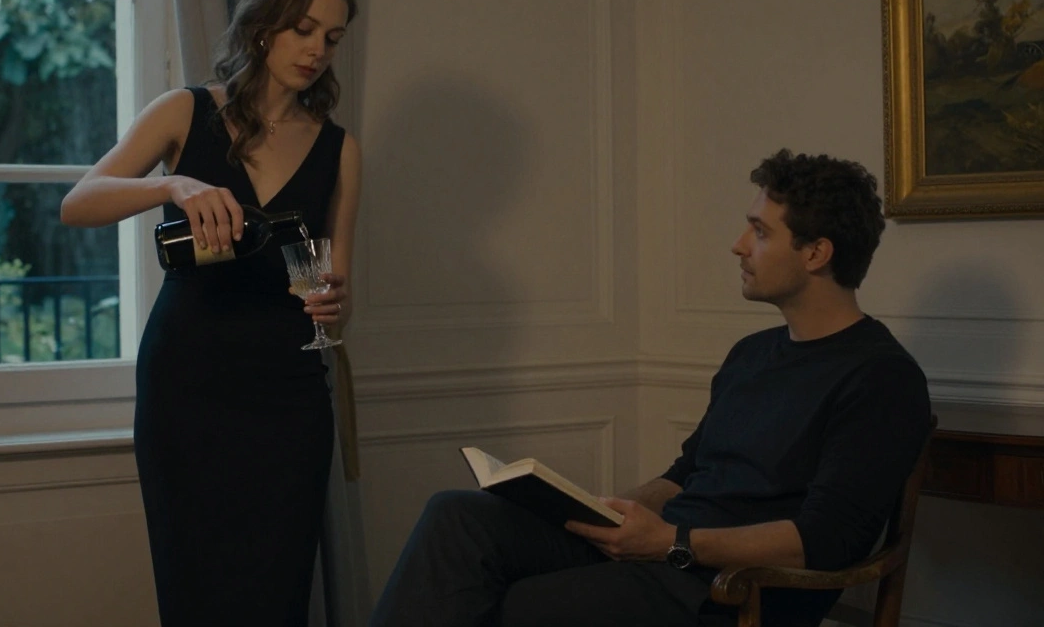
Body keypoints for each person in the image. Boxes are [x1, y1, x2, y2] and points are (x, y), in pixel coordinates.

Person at [368, 149, 931, 627]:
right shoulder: (752, 355)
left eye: (760, 232)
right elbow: (685, 475)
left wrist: (670, 541)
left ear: (815, 252)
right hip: (669, 550)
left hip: (733, 587)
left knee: (518, 605)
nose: (739, 245)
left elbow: (825, 540)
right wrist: (604, 512)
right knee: (457, 520)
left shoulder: (881, 378)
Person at [60, 0, 361, 625]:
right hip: (187, 387)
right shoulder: (184, 111)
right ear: (263, 27)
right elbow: (77, 203)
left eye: (332, 38)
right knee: (194, 587)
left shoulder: (339, 147)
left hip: (289, 397)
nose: (316, 50)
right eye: (303, 29)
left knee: (278, 592)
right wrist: (171, 184)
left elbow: (336, 286)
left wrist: (335, 303)